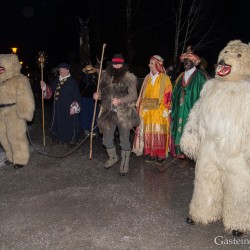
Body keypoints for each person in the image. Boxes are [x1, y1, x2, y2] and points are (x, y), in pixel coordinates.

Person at [93, 54, 139, 175]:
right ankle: (113, 157)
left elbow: (133, 96)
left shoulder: (129, 78)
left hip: (124, 113)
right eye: (115, 64)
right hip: (108, 113)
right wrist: (97, 96)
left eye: (119, 64)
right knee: (106, 140)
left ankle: (125, 163)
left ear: (123, 65)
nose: (117, 66)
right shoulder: (105, 76)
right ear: (111, 64)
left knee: (124, 139)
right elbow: (102, 92)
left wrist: (120, 101)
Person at [132, 55, 172, 170]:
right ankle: (153, 154)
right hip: (148, 111)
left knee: (159, 133)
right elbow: (143, 94)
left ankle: (160, 155)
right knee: (150, 132)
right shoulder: (147, 78)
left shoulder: (165, 78)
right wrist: (142, 106)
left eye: (151, 63)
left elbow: (168, 94)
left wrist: (167, 108)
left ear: (158, 65)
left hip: (160, 111)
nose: (149, 65)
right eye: (149, 63)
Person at [171, 47, 207, 159]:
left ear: (194, 63)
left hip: (192, 109)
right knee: (179, 128)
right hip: (180, 108)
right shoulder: (181, 76)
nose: (186, 63)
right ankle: (179, 152)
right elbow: (175, 92)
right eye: (184, 62)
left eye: (189, 61)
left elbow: (204, 95)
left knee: (190, 130)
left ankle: (190, 155)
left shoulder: (200, 76)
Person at [40, 63, 81, 146]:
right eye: (60, 69)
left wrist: (74, 106)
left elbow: (77, 96)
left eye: (63, 69)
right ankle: (60, 138)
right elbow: (50, 91)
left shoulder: (72, 81)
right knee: (59, 121)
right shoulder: (57, 80)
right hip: (58, 106)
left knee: (69, 123)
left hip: (68, 107)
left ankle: (70, 139)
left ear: (68, 70)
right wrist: (44, 86)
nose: (61, 70)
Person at [79, 64, 99, 136]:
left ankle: (87, 130)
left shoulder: (82, 80)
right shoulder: (95, 80)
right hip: (91, 100)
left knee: (86, 114)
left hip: (86, 100)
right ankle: (93, 129)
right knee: (92, 114)